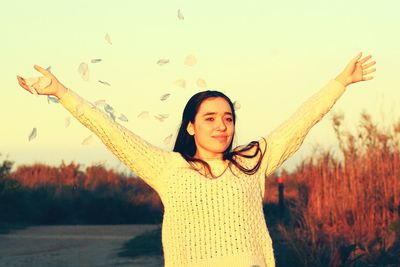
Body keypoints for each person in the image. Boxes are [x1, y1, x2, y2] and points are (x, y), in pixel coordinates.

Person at [17, 52, 376, 267]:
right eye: (210, 118)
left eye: (228, 118)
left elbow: (300, 121)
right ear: (190, 126)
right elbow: (111, 132)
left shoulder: (252, 160)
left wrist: (340, 83)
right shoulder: (168, 168)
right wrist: (61, 92)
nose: (222, 126)